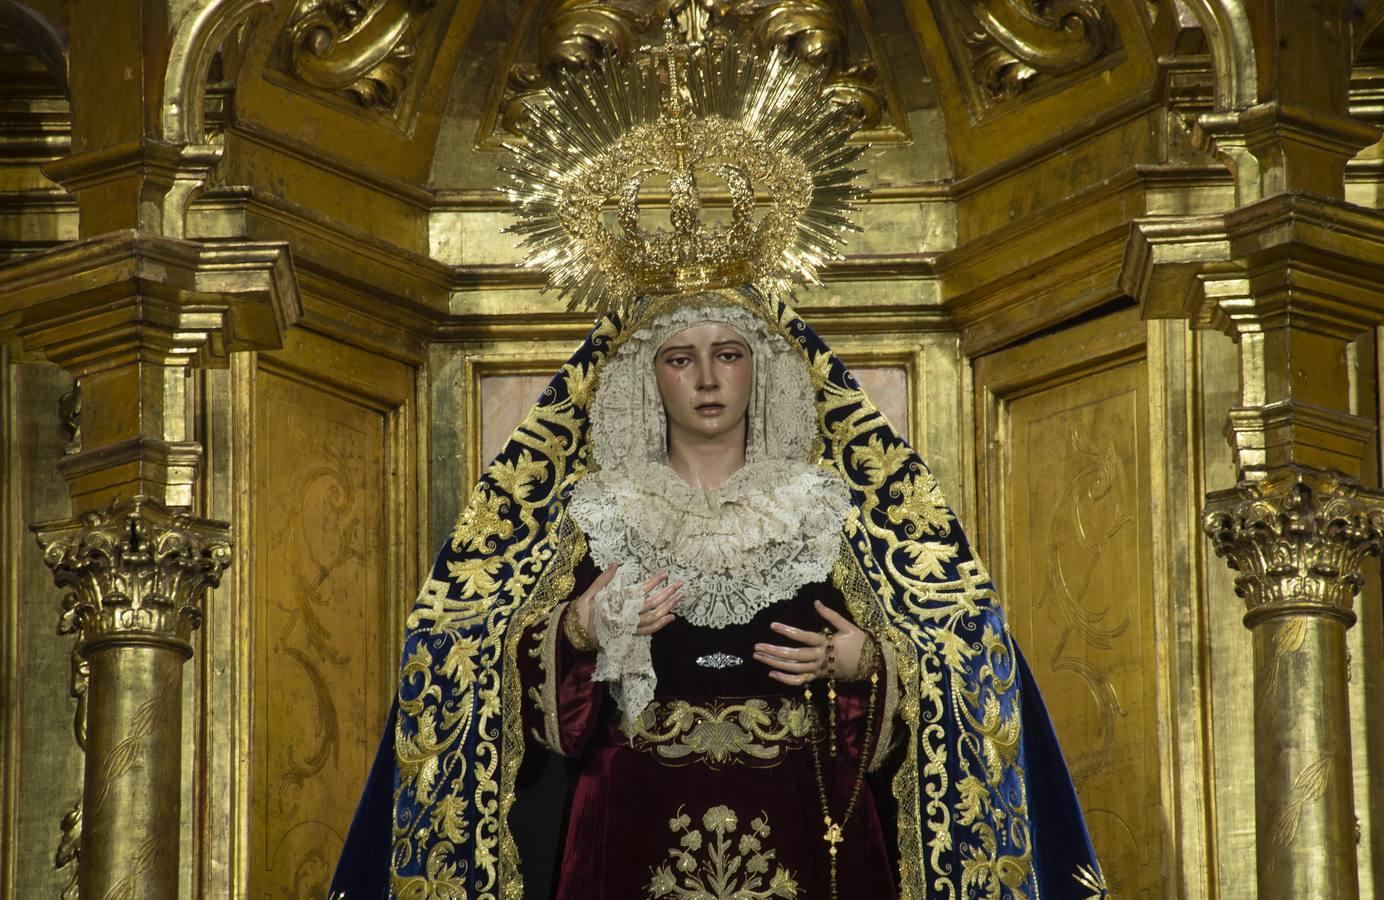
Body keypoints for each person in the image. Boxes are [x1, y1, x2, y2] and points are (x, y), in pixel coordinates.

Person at [329, 286, 1108, 899]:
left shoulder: (834, 509)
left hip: (813, 827)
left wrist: (868, 658)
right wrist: (576, 629)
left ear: (758, 369)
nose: (706, 379)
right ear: (647, 375)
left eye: (728, 354)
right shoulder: (591, 515)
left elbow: (966, 656)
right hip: (625, 831)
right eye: (680, 358)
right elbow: (464, 660)